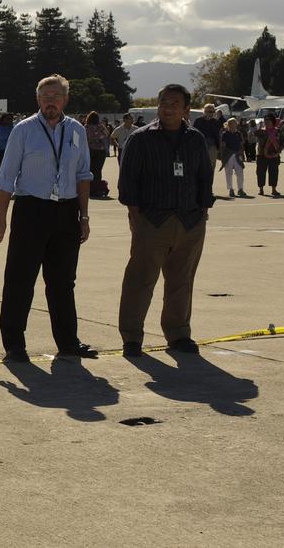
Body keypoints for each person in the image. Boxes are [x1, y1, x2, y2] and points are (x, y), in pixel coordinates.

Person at [0, 74, 97, 362]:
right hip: (30, 210)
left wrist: (84, 216)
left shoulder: (76, 130)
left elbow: (84, 175)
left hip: (66, 211)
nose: (51, 101)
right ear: (38, 100)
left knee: (63, 281)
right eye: (46, 97)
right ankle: (14, 344)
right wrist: (0, 216)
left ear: (65, 100)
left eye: (56, 96)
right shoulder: (23, 131)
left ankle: (68, 341)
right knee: (20, 279)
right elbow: (7, 176)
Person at [117, 84, 214, 357]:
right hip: (153, 220)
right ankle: (132, 337)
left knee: (182, 281)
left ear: (186, 110)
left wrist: (202, 213)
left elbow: (204, 177)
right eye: (164, 103)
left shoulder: (195, 139)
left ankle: (178, 333)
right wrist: (137, 217)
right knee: (140, 280)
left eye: (174, 104)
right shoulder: (140, 139)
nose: (168, 108)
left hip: (190, 222)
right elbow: (128, 181)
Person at [256, 115, 282, 196]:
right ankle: (261, 189)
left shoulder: (277, 131)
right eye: (265, 120)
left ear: (273, 121)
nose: (266, 122)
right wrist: (259, 127)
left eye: (268, 120)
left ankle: (274, 189)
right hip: (262, 155)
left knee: (274, 172)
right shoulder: (261, 131)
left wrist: (278, 153)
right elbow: (252, 136)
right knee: (260, 172)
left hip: (274, 155)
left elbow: (282, 143)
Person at [85, 112, 109, 197]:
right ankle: (97, 189)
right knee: (98, 170)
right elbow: (106, 134)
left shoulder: (86, 127)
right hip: (100, 151)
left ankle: (90, 189)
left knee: (90, 169)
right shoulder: (101, 126)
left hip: (90, 150)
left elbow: (84, 137)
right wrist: (98, 137)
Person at [221, 118, 246, 198]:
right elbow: (223, 146)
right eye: (232, 123)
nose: (234, 125)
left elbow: (242, 144)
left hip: (237, 155)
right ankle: (231, 189)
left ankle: (240, 189)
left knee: (240, 173)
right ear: (229, 125)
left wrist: (242, 153)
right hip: (229, 155)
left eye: (235, 123)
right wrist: (223, 157)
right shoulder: (225, 134)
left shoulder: (239, 134)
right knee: (228, 173)